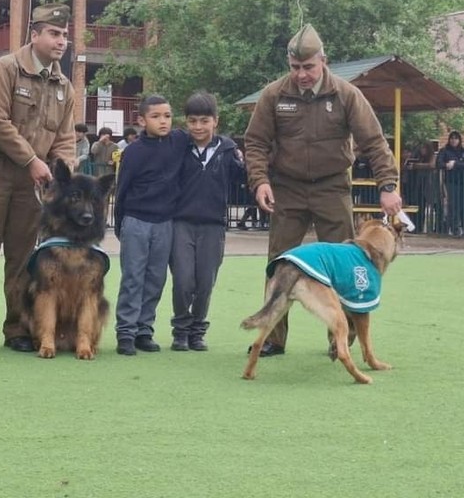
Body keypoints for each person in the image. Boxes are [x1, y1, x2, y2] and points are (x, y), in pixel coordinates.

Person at [243, 24, 401, 358]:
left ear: (323, 61)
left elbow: (374, 142)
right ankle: (273, 337)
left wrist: (388, 186)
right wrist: (260, 181)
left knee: (345, 265)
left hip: (332, 187)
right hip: (287, 188)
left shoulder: (346, 94)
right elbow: (255, 142)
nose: (301, 74)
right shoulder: (274, 95)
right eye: (295, 67)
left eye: (308, 67)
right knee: (279, 263)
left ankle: (339, 338)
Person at [0, 3, 76, 354]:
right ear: (34, 35)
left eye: (64, 35)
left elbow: (65, 137)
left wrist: (63, 172)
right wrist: (31, 159)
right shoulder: (5, 68)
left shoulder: (64, 86)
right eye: (54, 33)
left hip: (33, 180)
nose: (61, 41)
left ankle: (18, 329)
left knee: (23, 256)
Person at [113, 94, 189, 355]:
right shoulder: (133, 152)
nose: (163, 121)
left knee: (156, 278)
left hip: (165, 222)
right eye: (155, 117)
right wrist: (121, 224)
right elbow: (122, 189)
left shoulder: (179, 142)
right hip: (136, 220)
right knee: (133, 277)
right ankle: (126, 332)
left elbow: (205, 136)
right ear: (142, 121)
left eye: (167, 116)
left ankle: (144, 330)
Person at [169, 91, 244, 352]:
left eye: (204, 121)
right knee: (182, 280)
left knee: (205, 282)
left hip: (213, 225)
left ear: (215, 121)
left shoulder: (228, 150)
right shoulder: (178, 148)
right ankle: (180, 330)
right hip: (181, 223)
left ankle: (197, 330)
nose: (198, 127)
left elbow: (243, 179)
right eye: (192, 121)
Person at [436, 130, 464, 235]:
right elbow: (438, 163)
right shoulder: (444, 150)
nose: (454, 140)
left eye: (456, 138)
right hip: (451, 181)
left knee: (462, 206)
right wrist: (446, 165)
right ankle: (454, 228)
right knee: (452, 205)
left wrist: (455, 163)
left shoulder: (463, 151)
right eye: (452, 138)